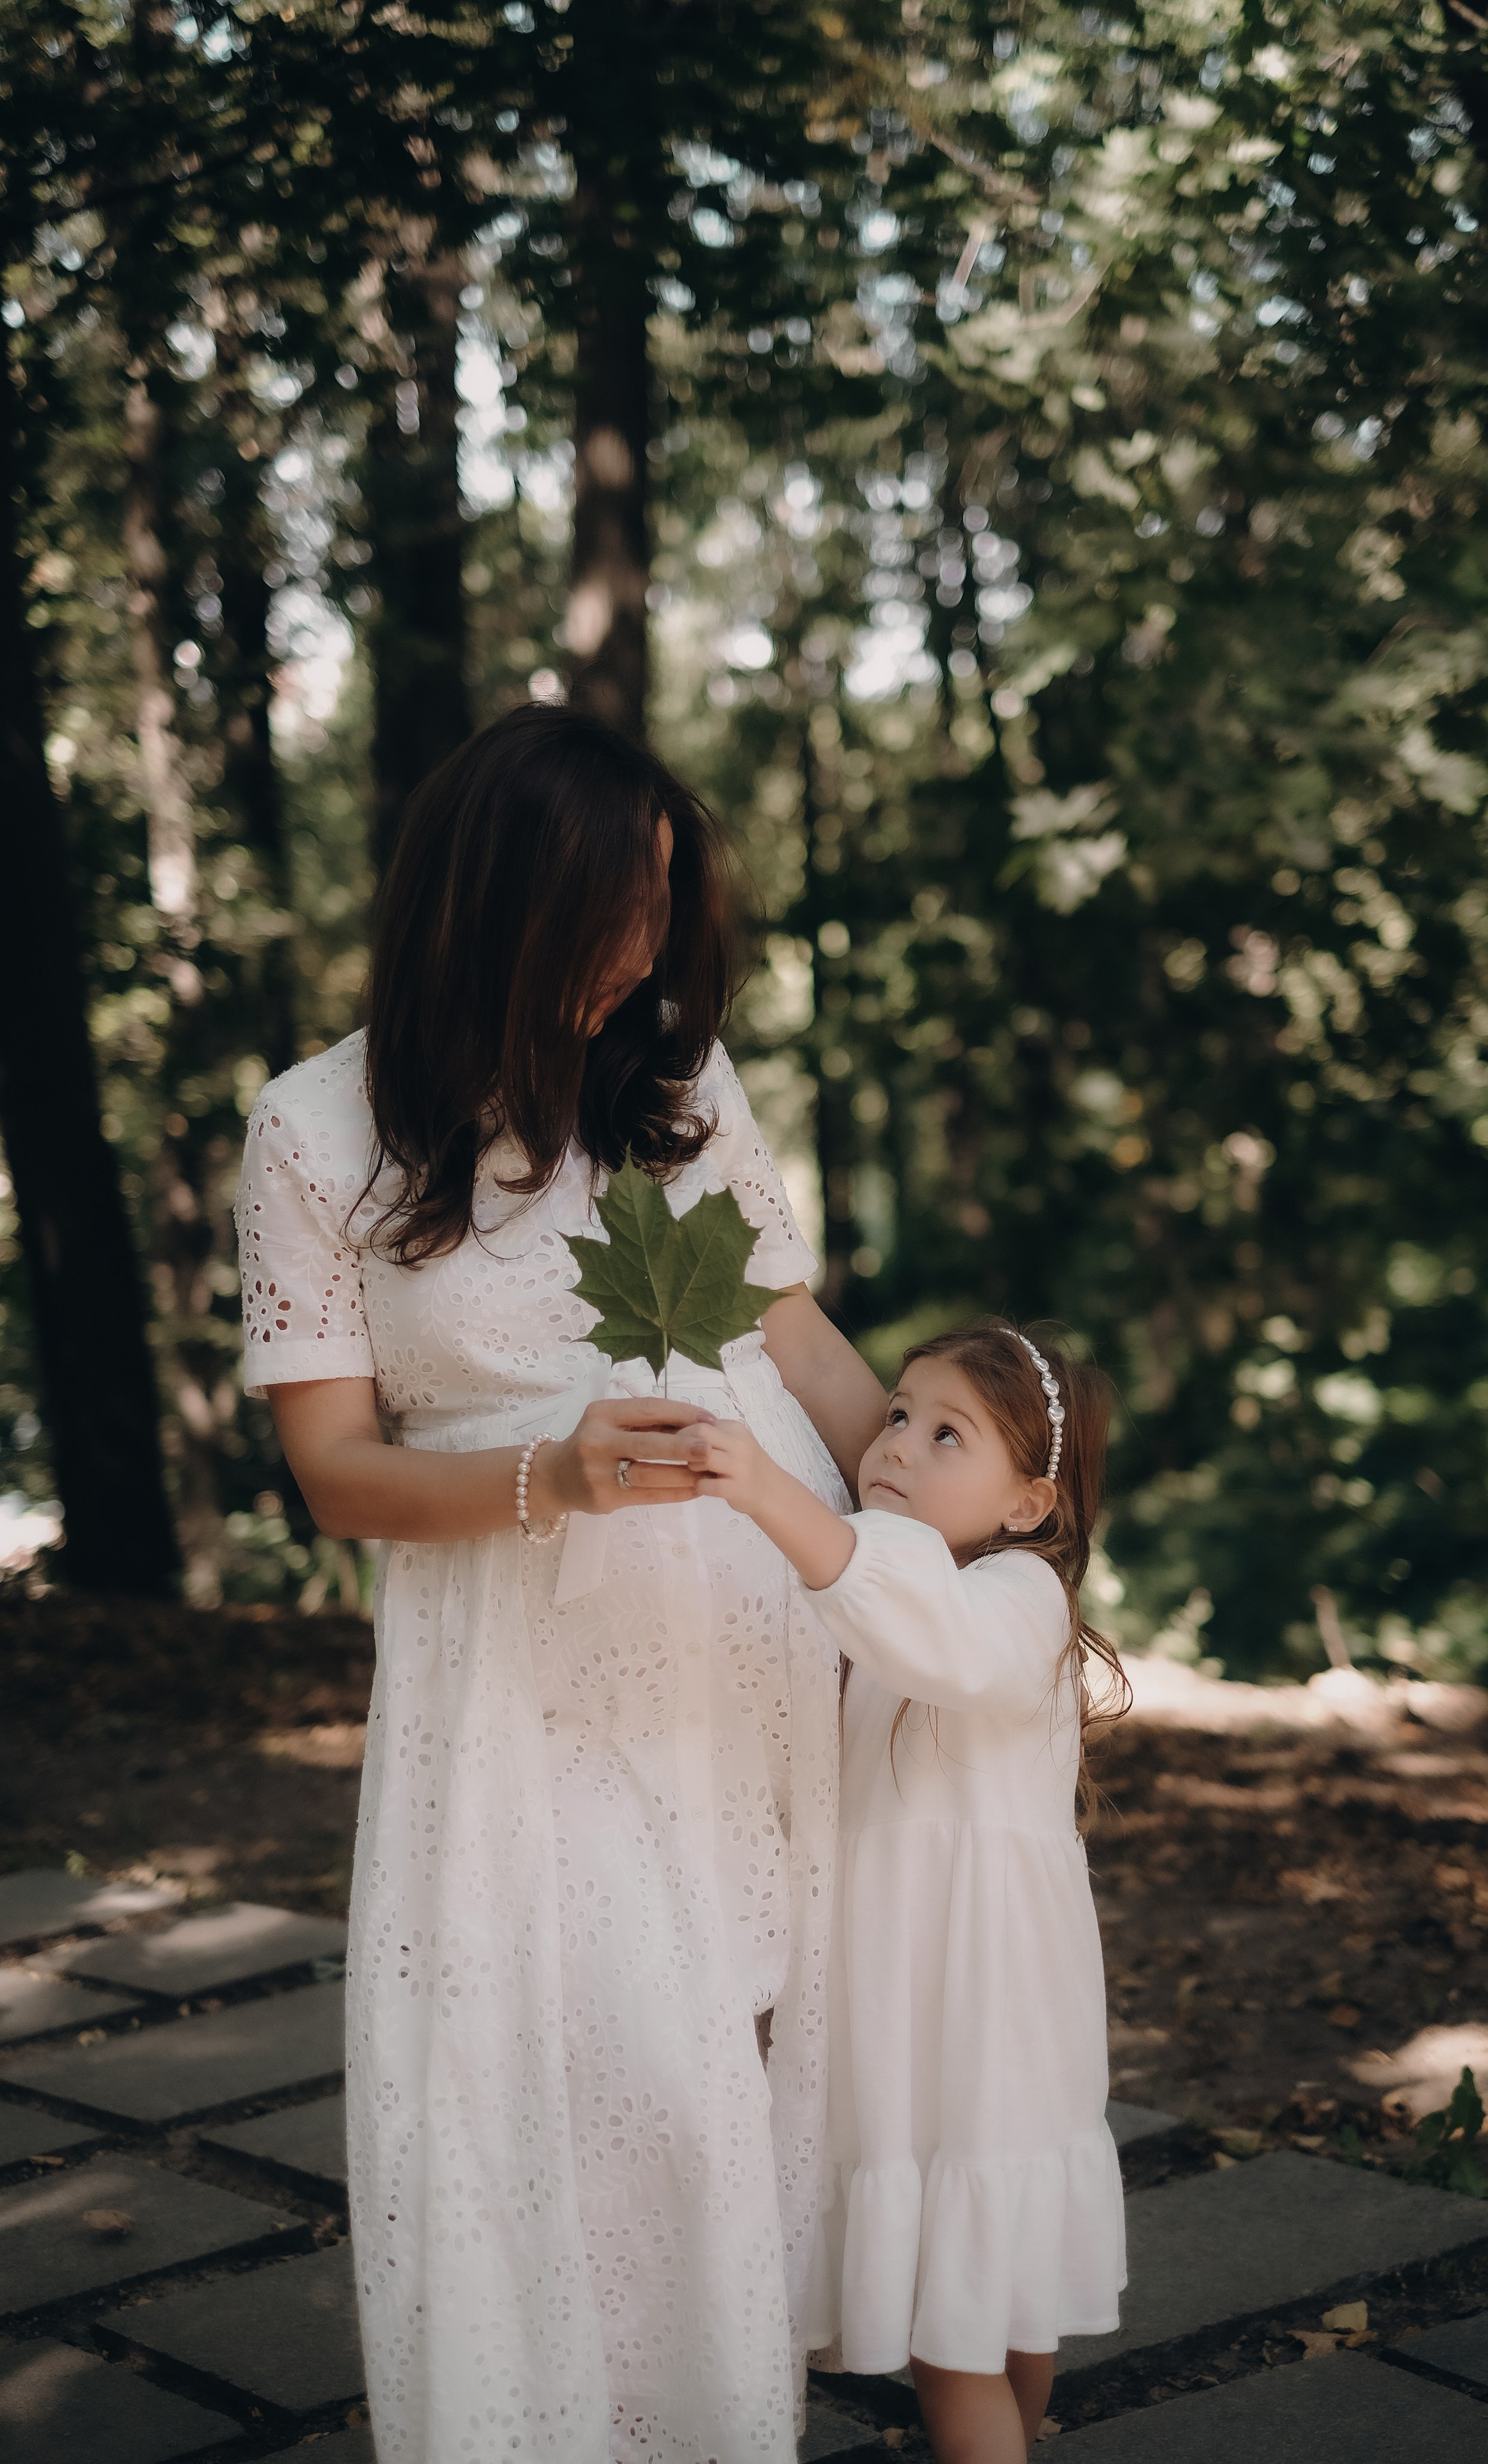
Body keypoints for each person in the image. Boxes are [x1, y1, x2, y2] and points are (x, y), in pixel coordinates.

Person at [233, 705, 885, 2463]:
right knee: (604, 2076)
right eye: (614, 906)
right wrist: (553, 1474)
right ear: (496, 901)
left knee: (729, 2075)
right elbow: (335, 1469)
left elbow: (794, 1337)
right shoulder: (313, 1134)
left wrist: (938, 1538)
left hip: (751, 1637)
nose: (644, 949)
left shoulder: (678, 1090)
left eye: (666, 901)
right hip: (522, 1671)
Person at [693, 1322, 1129, 2464]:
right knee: (993, 2300)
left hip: (983, 2018)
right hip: (919, 2011)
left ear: (1029, 1504)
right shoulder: (902, 1594)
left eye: (948, 1435)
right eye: (895, 1414)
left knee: (963, 2328)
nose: (896, 1444)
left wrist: (769, 1491)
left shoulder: (1018, 1600)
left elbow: (934, 1638)